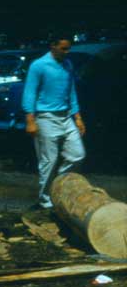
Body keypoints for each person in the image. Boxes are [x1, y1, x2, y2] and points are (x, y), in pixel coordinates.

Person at [22, 36, 86, 210]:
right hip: (45, 117)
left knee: (77, 154)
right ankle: (45, 201)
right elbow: (30, 93)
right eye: (63, 49)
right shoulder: (38, 65)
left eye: (68, 49)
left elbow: (71, 91)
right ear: (53, 46)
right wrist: (30, 120)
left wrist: (78, 117)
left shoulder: (67, 65)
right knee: (49, 160)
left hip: (65, 116)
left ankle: (58, 186)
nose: (67, 52)